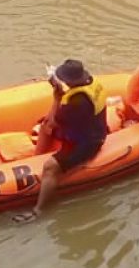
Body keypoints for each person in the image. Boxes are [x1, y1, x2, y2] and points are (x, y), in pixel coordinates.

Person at [15, 59, 108, 223]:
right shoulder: (92, 84)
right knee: (45, 126)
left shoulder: (76, 104)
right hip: (93, 128)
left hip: (87, 143)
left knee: (50, 167)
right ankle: (35, 158)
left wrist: (56, 98)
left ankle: (38, 210)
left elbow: (53, 121)